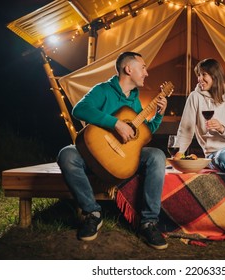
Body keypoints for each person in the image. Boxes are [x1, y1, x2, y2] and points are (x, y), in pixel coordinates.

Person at [57, 51, 169, 250]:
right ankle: (93, 213)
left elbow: (143, 134)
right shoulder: (103, 90)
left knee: (157, 156)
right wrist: (115, 123)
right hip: (95, 151)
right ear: (129, 69)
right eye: (143, 68)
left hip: (122, 154)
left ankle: (149, 222)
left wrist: (158, 115)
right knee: (66, 154)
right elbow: (79, 110)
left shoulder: (135, 100)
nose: (146, 73)